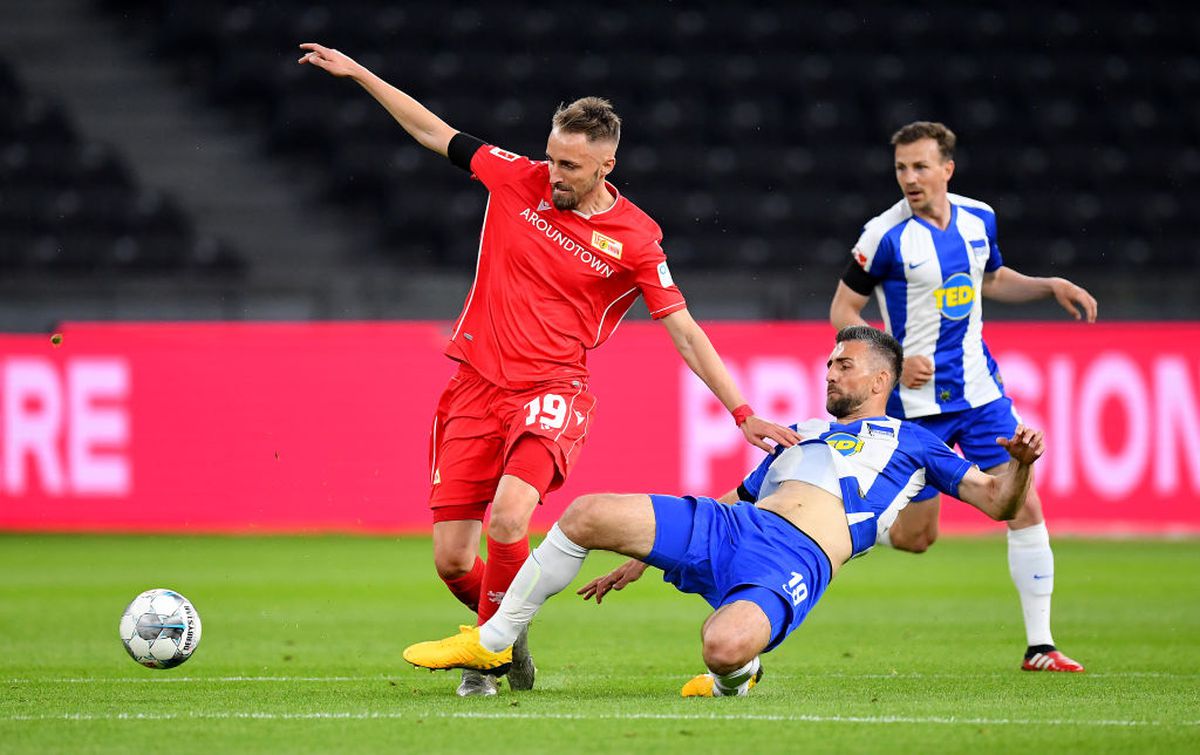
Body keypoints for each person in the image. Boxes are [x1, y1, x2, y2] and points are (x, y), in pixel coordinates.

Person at [298, 43, 799, 696]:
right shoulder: (516, 177)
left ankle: (488, 653)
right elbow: (432, 130)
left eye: (570, 166)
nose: (554, 173)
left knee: (510, 518)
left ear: (606, 165)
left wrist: (741, 411)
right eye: (553, 157)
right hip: (473, 386)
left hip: (552, 390)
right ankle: (508, 625)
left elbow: (683, 327)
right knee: (452, 560)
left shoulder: (637, 238)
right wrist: (362, 75)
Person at [403, 326, 1046, 696]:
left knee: (722, 647)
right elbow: (735, 498)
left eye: (844, 366)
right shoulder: (800, 431)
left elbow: (996, 502)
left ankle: (741, 677)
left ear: (880, 381)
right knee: (588, 513)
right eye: (828, 363)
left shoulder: (915, 443)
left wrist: (1017, 464)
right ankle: (492, 643)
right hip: (734, 526)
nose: (830, 373)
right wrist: (640, 561)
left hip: (795, 561)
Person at [828, 121, 1096, 673]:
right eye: (901, 168)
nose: (910, 178)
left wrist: (1048, 286)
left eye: (921, 166)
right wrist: (895, 359)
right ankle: (855, 520)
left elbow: (991, 279)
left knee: (1022, 502)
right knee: (917, 538)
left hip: (980, 393)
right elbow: (843, 314)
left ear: (947, 169)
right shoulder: (883, 236)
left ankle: (1040, 646)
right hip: (915, 404)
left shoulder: (979, 218)